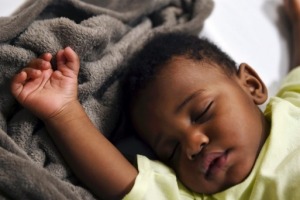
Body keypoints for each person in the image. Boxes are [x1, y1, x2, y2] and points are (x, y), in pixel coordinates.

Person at [10, 0, 300, 199]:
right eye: (172, 150)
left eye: (202, 112)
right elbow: (126, 183)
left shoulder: (291, 107)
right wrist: (63, 112)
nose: (193, 144)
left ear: (251, 85)